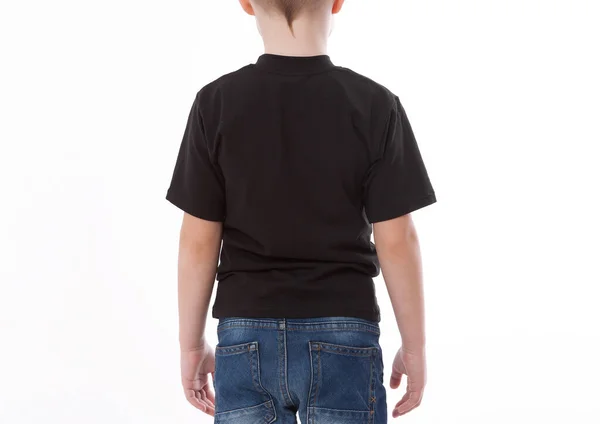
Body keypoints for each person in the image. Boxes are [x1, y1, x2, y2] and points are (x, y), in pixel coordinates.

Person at [165, 0, 436, 422]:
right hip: (345, 331)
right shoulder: (375, 105)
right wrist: (415, 347)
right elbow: (397, 241)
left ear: (246, 4)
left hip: (244, 334)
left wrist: (191, 346)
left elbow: (198, 242)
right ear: (338, 2)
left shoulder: (215, 104)